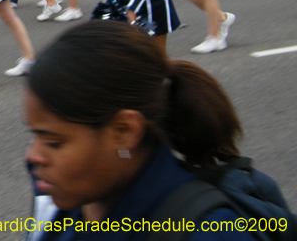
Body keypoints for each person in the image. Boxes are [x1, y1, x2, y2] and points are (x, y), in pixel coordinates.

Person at [25, 20, 259, 241]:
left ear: (124, 131)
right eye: (35, 135)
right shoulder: (72, 197)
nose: (33, 156)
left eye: (54, 142)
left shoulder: (204, 232)